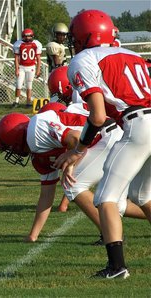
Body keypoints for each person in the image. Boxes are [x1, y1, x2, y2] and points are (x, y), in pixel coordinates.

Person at [53, 10, 151, 279]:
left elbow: (96, 115)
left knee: (105, 198)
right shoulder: (131, 54)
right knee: (142, 196)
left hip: (139, 125)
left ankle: (116, 267)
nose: (73, 43)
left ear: (85, 37)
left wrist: (78, 149)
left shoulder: (84, 59)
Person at [0, 104, 146, 245]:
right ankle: (112, 233)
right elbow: (46, 196)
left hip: (106, 136)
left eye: (9, 148)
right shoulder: (38, 154)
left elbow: (75, 138)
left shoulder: (36, 131)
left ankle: (110, 236)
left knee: (73, 185)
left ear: (15, 139)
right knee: (117, 205)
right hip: (103, 140)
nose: (12, 152)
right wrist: (33, 235)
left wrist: (70, 165)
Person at [12, 28, 42, 108]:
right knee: (19, 84)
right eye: (26, 36)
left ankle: (28, 101)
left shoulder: (36, 44)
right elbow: (16, 58)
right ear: (23, 36)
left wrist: (38, 69)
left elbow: (38, 58)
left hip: (31, 67)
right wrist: (17, 69)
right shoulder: (19, 44)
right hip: (22, 67)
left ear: (32, 36)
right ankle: (16, 101)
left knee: (29, 85)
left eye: (29, 36)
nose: (28, 38)